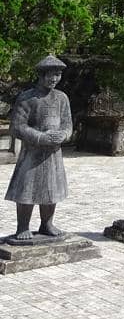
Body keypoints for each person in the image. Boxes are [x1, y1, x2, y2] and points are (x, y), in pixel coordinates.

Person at [5, 55, 72, 242]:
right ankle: (23, 226)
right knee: (27, 189)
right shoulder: (27, 98)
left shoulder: (62, 98)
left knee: (52, 189)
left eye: (58, 75)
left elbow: (68, 125)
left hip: (53, 153)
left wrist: (63, 135)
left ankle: (47, 223)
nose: (54, 79)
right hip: (32, 153)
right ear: (41, 75)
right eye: (51, 75)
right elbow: (17, 126)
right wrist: (40, 137)